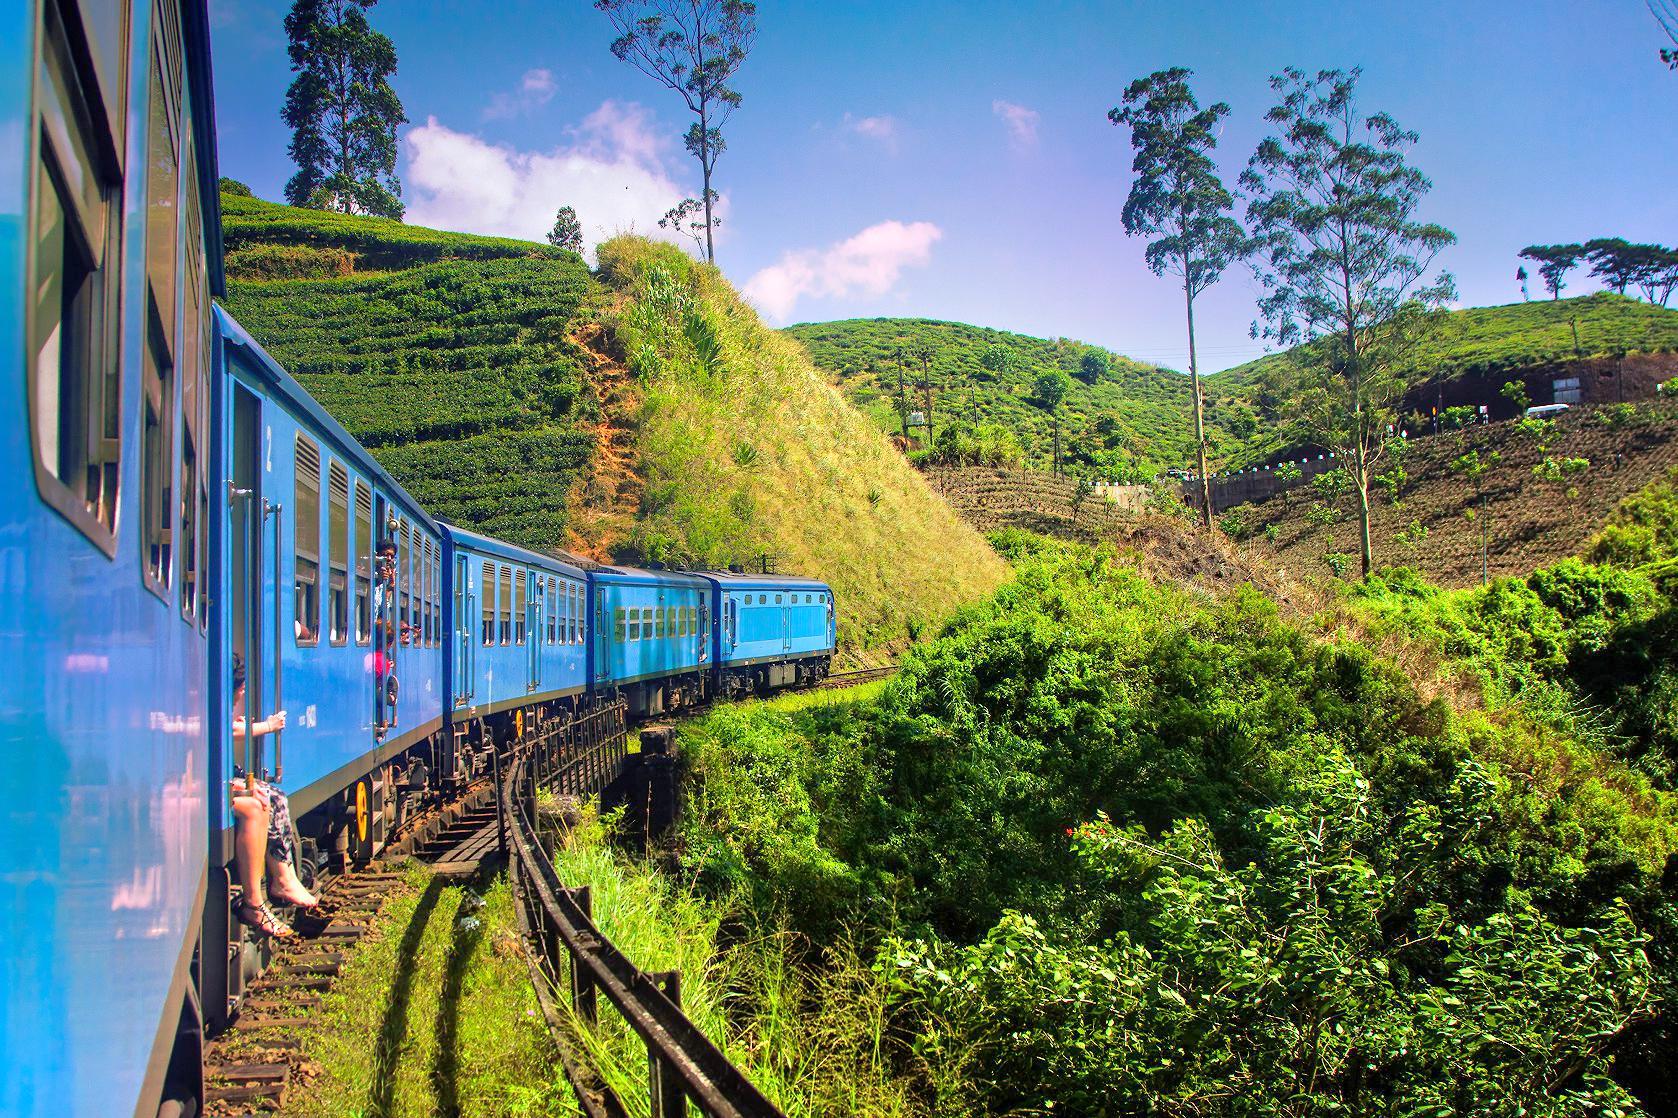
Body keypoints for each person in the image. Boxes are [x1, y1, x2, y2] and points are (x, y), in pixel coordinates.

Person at [229, 655, 317, 938]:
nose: (243, 693)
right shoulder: (215, 700)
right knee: (264, 801)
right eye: (241, 688)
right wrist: (269, 725)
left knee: (277, 798)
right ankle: (271, 889)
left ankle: (285, 876)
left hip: (223, 777)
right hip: (216, 783)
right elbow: (229, 729)